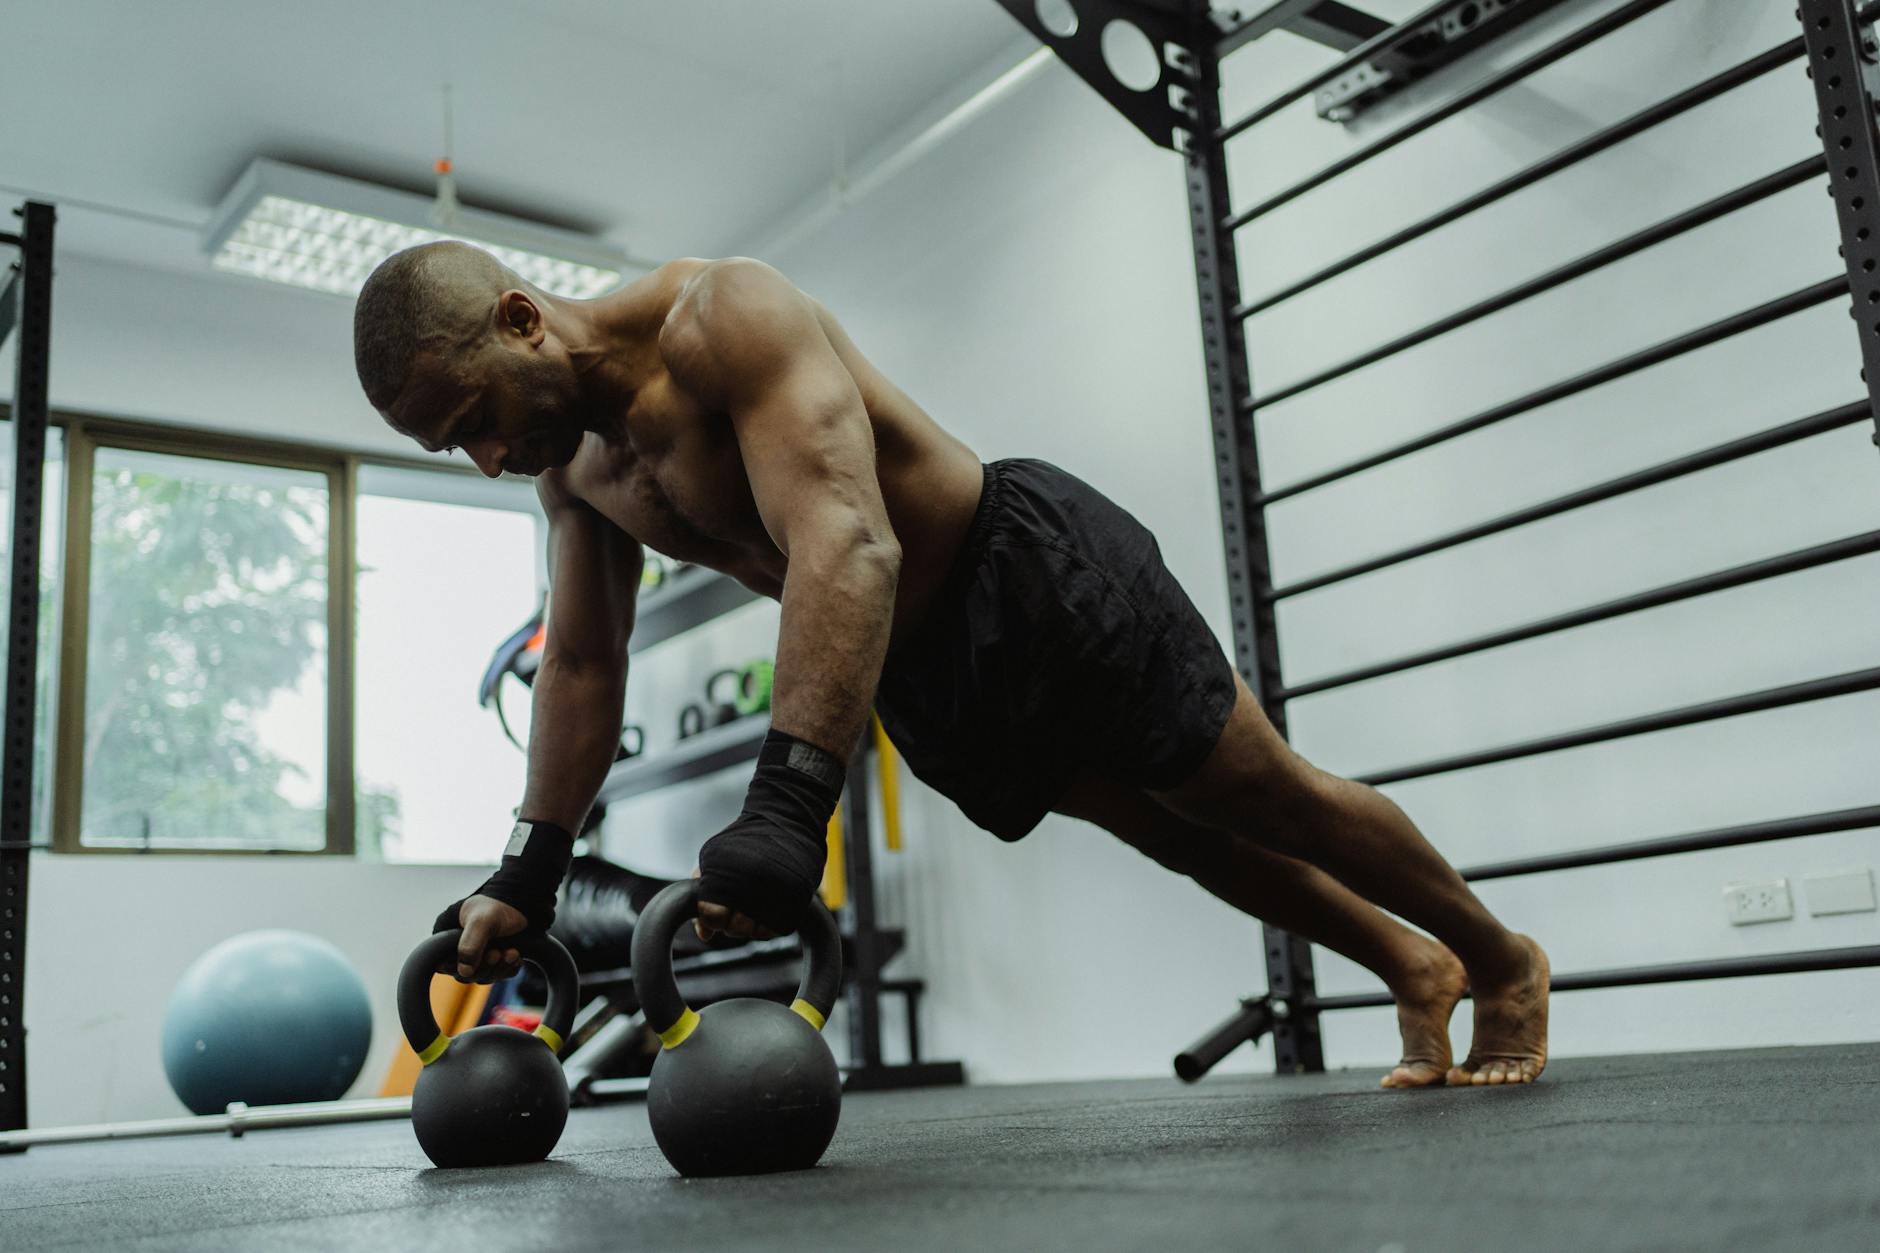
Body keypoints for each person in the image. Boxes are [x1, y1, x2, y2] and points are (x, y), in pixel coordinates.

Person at [352, 241, 1549, 1088]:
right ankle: (1412, 958)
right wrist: (530, 870)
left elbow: (846, 537)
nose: (489, 458)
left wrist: (785, 809)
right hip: (916, 669)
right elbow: (581, 667)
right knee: (1177, 833)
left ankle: (1500, 959)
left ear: (518, 318)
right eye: (452, 446)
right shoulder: (577, 475)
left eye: (472, 416)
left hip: (1019, 569)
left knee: (1254, 789)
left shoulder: (725, 316)